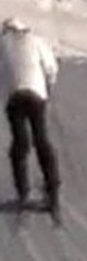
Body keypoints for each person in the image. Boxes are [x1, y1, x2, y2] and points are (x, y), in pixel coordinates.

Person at [0, 17, 60, 220]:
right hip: (36, 94)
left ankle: (23, 190)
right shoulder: (36, 40)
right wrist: (47, 89)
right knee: (42, 141)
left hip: (14, 97)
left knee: (20, 143)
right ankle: (52, 191)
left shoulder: (2, 43)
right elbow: (51, 67)